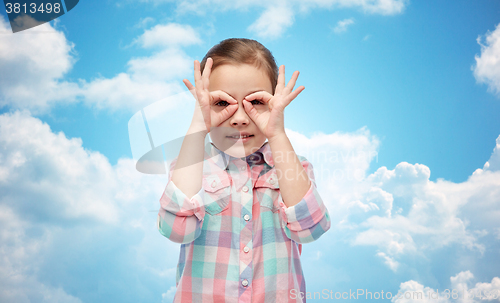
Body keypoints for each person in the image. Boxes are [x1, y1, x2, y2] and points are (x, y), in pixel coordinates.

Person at [157, 38, 330, 303]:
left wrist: (277, 133)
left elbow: (311, 229)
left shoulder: (294, 166)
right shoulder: (190, 167)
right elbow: (176, 230)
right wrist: (197, 127)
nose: (239, 118)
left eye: (257, 102)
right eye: (222, 103)